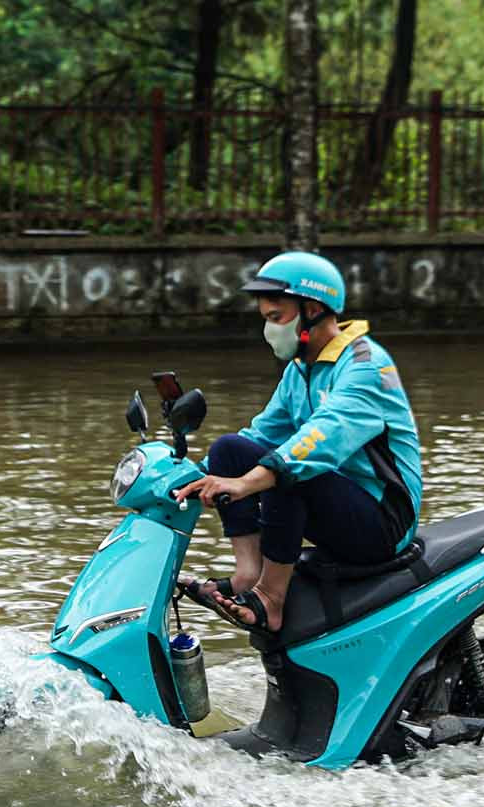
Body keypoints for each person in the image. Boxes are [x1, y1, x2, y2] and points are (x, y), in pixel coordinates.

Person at [173, 250, 423, 633]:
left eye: (276, 318)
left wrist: (244, 483)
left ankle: (271, 599)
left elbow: (321, 439)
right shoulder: (301, 371)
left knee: (287, 471)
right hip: (336, 505)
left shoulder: (365, 364)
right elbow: (260, 435)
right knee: (229, 449)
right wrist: (187, 479)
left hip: (382, 519)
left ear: (311, 309)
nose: (268, 330)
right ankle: (248, 576)